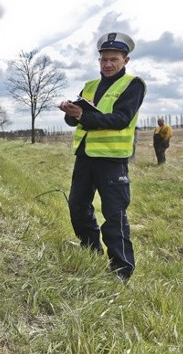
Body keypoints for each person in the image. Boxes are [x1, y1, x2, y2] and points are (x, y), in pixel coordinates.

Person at [58, 32, 146, 282]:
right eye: (103, 59)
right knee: (77, 206)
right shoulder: (90, 86)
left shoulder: (133, 84)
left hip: (112, 160)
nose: (107, 64)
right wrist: (71, 112)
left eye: (113, 59)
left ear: (125, 60)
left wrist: (83, 116)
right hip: (85, 158)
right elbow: (73, 121)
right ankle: (91, 250)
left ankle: (121, 269)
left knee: (114, 214)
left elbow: (121, 119)